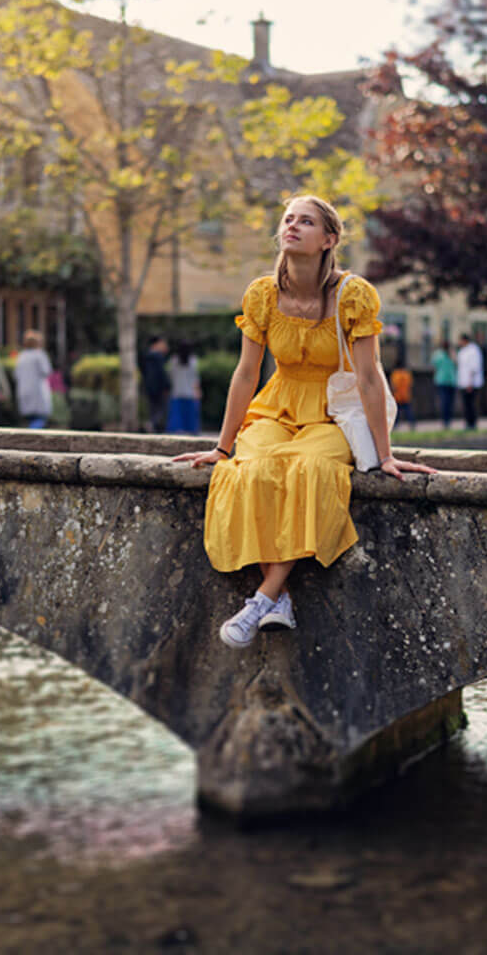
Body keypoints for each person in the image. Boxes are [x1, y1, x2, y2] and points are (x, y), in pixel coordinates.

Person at [173, 194, 436, 649]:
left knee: (311, 469)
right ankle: (277, 600)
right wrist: (221, 446)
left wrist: (385, 454)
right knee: (248, 469)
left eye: (306, 221)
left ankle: (263, 599)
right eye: (288, 219)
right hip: (277, 406)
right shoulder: (262, 294)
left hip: (331, 414)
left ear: (328, 239)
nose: (292, 226)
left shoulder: (352, 294)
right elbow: (246, 374)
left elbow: (370, 378)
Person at [13, 330, 54, 429]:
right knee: (40, 417)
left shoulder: (21, 356)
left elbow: (16, 374)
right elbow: (47, 371)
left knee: (31, 418)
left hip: (24, 391)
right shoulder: (39, 355)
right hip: (38, 392)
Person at [166, 340, 202, 434]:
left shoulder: (173, 361)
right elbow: (195, 378)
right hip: (190, 393)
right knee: (191, 418)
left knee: (176, 419)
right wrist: (198, 391)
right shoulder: (193, 361)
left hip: (176, 393)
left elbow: (170, 376)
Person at [141, 335, 172, 433]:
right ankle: (152, 424)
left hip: (149, 388)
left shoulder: (146, 357)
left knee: (153, 409)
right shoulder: (158, 357)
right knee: (161, 410)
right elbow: (161, 374)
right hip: (159, 389)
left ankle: (151, 424)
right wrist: (167, 386)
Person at [456, 333, 485, 430]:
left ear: (464, 340)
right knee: (466, 404)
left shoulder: (473, 350)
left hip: (471, 383)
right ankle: (468, 423)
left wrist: (470, 383)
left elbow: (473, 367)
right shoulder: (463, 351)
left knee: (471, 404)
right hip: (464, 382)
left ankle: (472, 424)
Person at [431, 340, 457, 428]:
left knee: (446, 402)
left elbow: (434, 366)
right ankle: (446, 420)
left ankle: (447, 420)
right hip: (446, 380)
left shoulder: (439, 354)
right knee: (447, 402)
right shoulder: (441, 354)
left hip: (445, 380)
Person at [389, 356, 415, 429]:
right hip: (406, 395)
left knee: (396, 412)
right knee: (408, 412)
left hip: (397, 396)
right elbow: (410, 385)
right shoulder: (406, 373)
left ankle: (395, 425)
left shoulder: (395, 374)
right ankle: (412, 424)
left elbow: (393, 386)